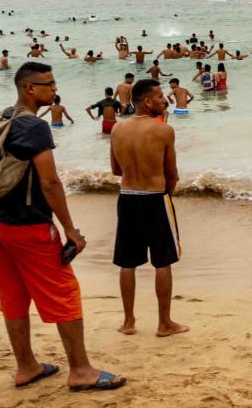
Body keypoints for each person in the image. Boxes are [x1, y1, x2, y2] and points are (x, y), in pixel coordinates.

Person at [0, 61, 126, 389]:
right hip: (31, 227)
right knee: (63, 292)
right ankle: (81, 371)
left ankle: (26, 367)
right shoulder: (34, 127)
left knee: (13, 297)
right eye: (50, 84)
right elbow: (50, 182)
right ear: (30, 88)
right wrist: (69, 228)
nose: (55, 89)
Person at [110, 79, 187, 338]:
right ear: (147, 101)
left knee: (127, 262)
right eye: (160, 96)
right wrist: (168, 194)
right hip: (155, 198)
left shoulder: (117, 129)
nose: (165, 100)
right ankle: (164, 323)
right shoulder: (163, 130)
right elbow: (172, 174)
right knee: (162, 261)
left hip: (127, 197)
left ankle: (128, 321)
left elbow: (116, 170)